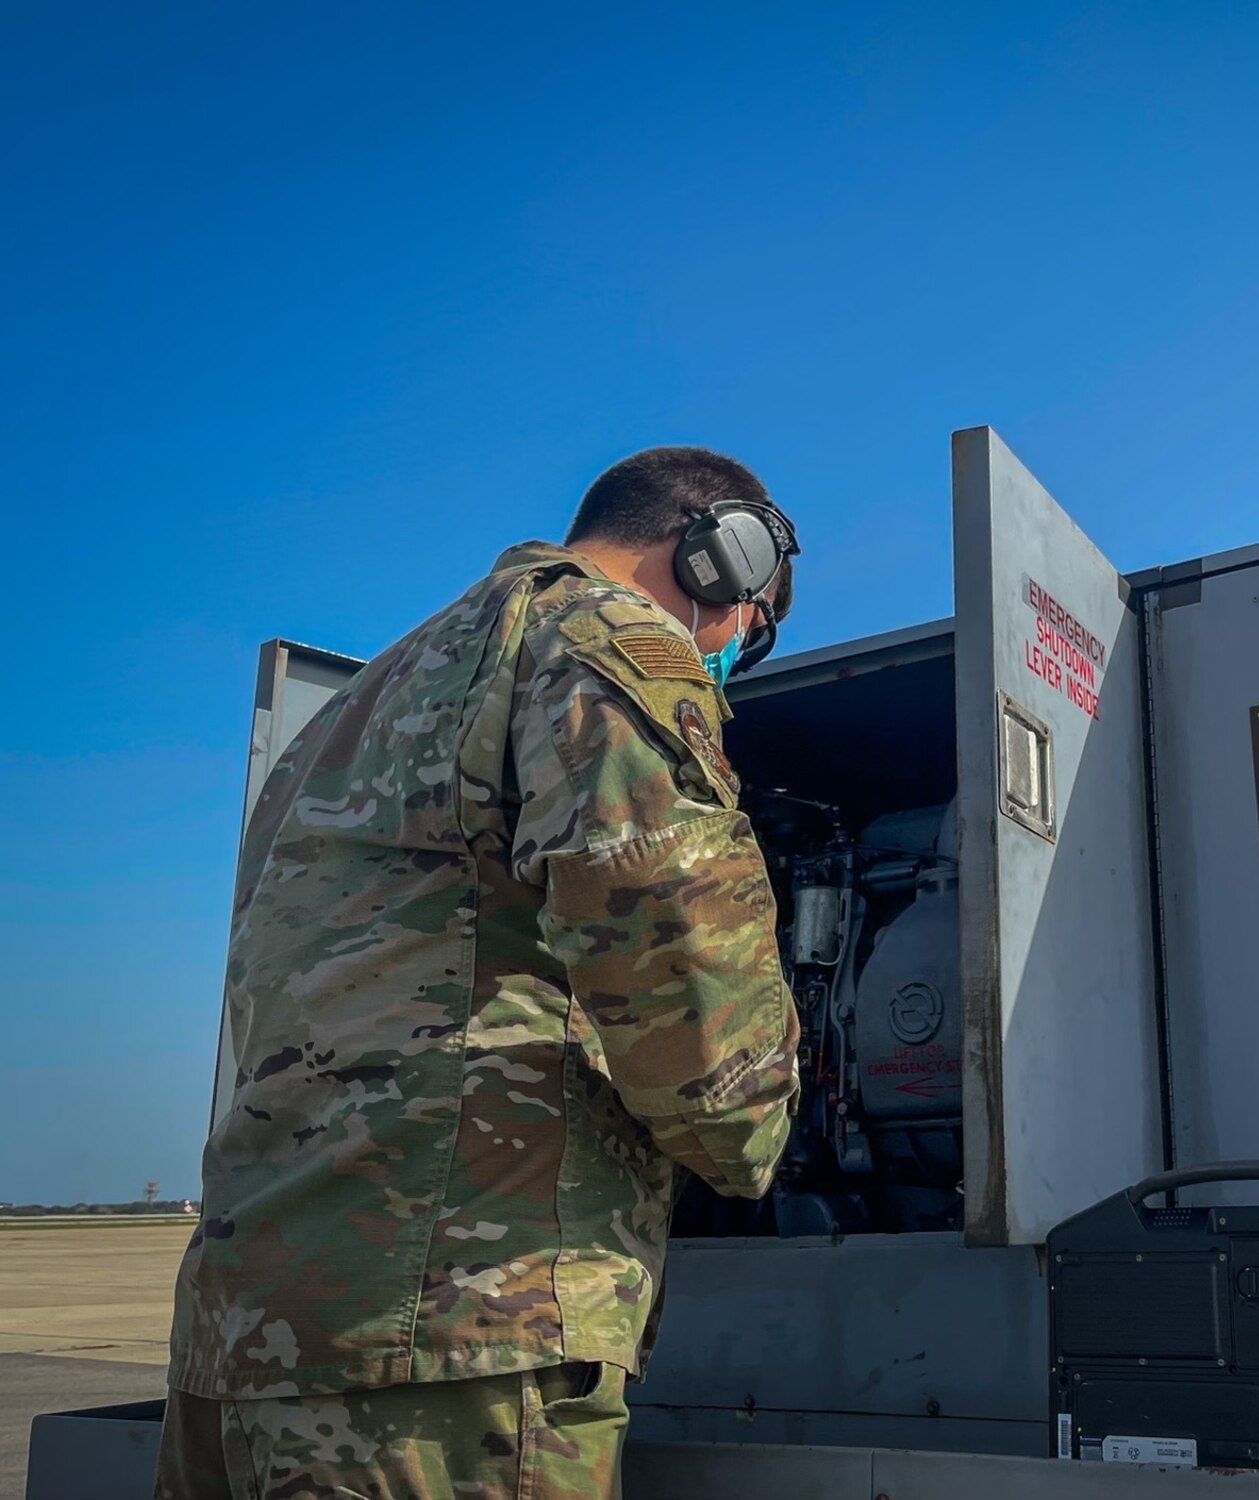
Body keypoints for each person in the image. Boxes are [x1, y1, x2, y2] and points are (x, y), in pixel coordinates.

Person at [157, 447, 804, 1500]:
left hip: (245, 1333)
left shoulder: (355, 707)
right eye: (752, 625)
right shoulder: (607, 635)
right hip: (453, 1335)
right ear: (715, 562)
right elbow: (676, 958)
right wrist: (761, 1147)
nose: (736, 654)